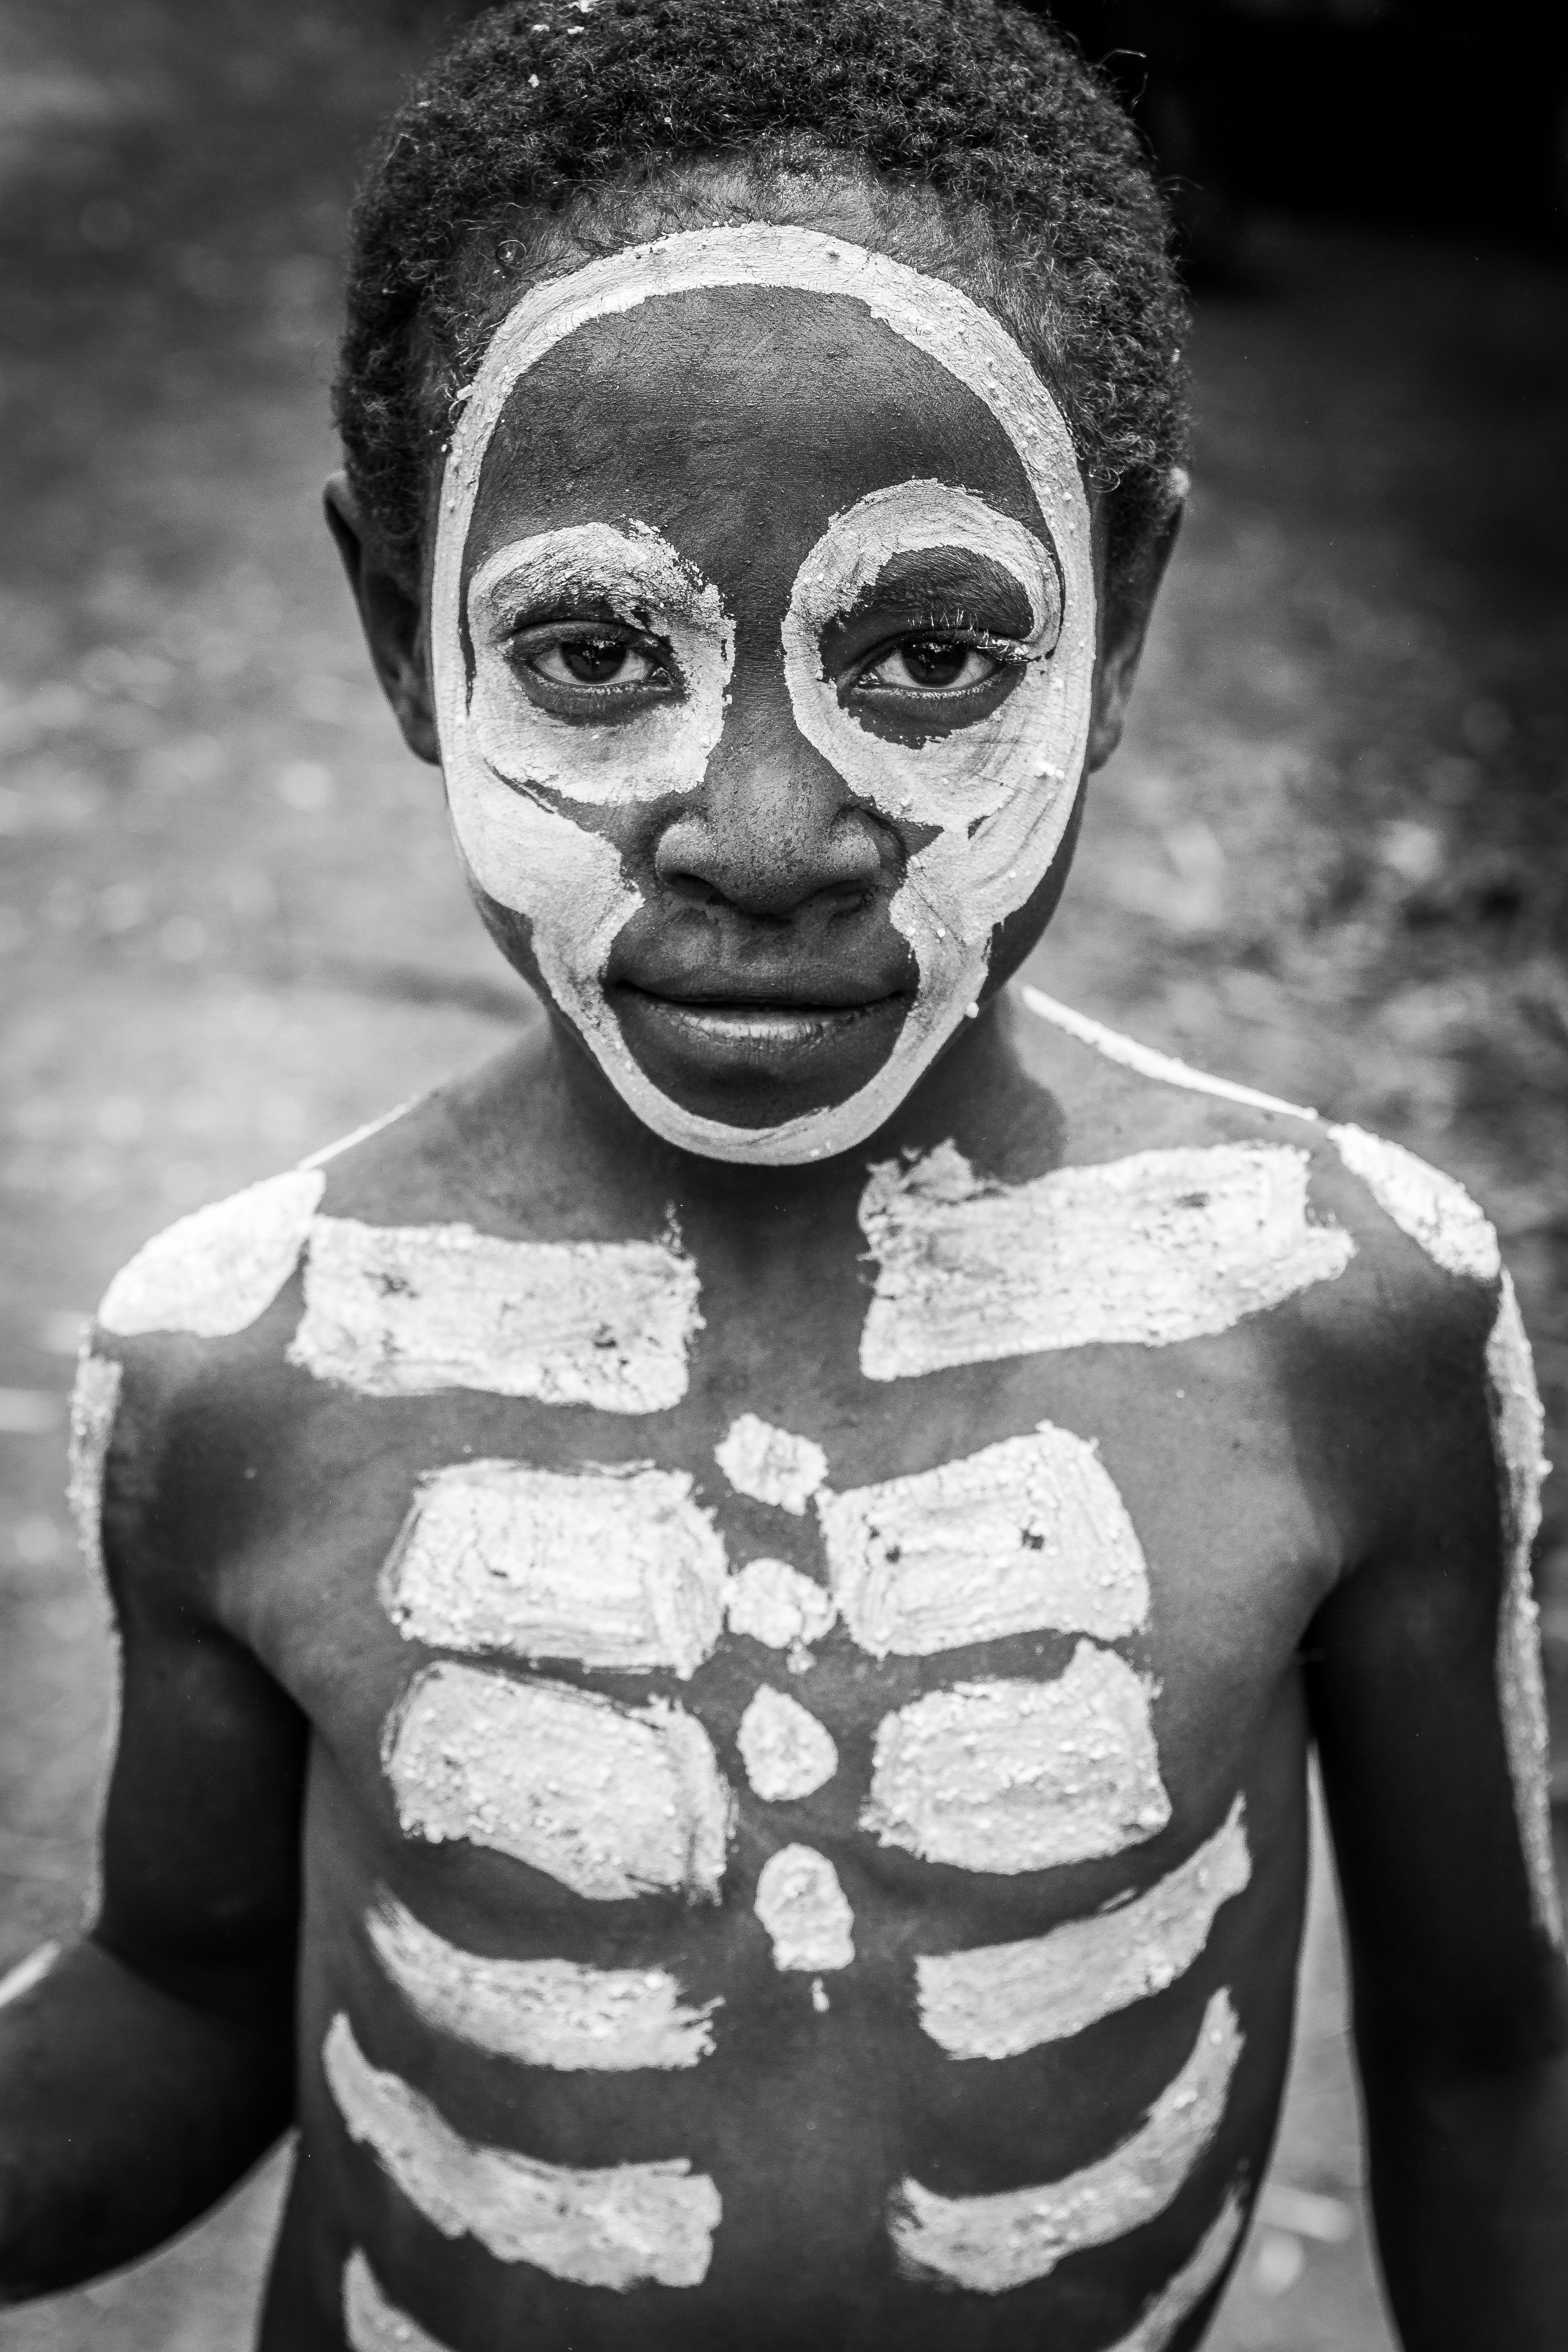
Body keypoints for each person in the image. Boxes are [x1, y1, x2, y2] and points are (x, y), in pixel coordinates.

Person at [2, 1, 1565, 2344]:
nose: (759, 834)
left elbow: (1488, 2055)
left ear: (1122, 618)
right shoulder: (246, 1360)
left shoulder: (1339, 1316)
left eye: (931, 655)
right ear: (402, 637)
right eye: (590, 650)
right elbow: (188, 1986)